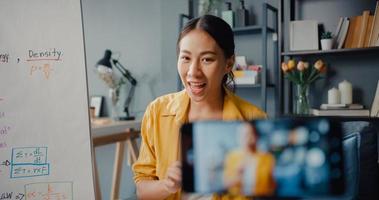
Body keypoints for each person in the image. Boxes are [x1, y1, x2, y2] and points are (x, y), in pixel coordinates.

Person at [132, 15, 267, 200]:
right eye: (185, 58)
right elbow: (142, 190)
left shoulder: (254, 118)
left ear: (228, 63)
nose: (193, 72)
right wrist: (167, 185)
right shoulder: (157, 111)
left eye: (207, 60)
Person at [223, 122, 276, 197]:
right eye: (242, 135)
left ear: (256, 136)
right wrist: (238, 175)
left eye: (249, 134)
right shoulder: (232, 157)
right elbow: (226, 184)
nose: (246, 138)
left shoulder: (267, 158)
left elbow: (272, 186)